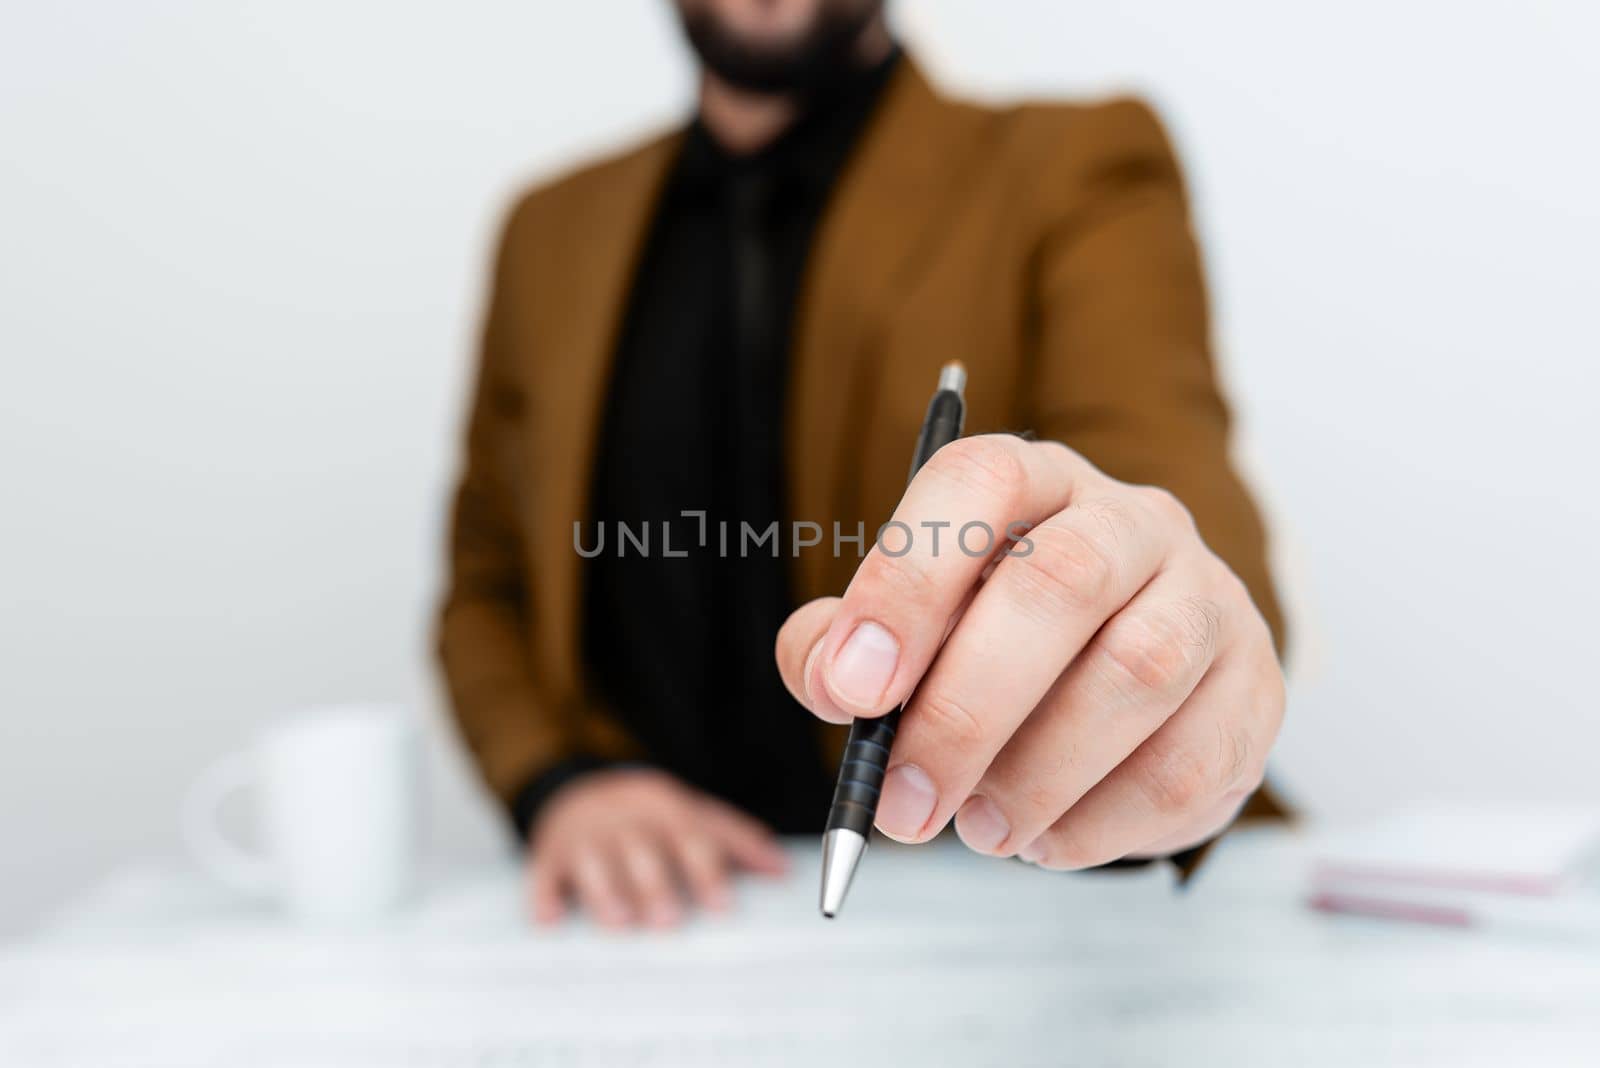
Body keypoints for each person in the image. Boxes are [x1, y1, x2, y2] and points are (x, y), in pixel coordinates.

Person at [438, 0, 1288, 929]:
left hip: (1005, 911)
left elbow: (1173, 499)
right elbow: (486, 582)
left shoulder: (1073, 168)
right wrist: (560, 783)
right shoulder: (548, 231)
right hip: (657, 926)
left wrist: (1175, 632)